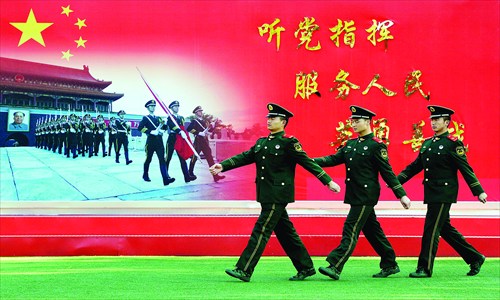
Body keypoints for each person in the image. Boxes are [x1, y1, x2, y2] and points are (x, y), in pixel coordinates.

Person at [209, 103, 341, 282]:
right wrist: (223, 165)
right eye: (268, 118)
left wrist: (328, 181)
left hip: (278, 194)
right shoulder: (262, 142)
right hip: (266, 193)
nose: (269, 121)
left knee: (261, 229)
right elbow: (245, 157)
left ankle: (244, 269)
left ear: (283, 122)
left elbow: (307, 162)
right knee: (285, 231)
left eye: (273, 118)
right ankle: (305, 267)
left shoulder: (289, 143)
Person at [314, 105, 411, 280]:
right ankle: (390, 263)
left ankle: (335, 265)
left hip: (366, 195)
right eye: (352, 121)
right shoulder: (350, 144)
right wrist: (308, 161)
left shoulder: (376, 146)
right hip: (354, 194)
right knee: (373, 231)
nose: (353, 124)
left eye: (357, 121)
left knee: (350, 229)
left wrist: (401, 194)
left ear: (367, 122)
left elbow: (387, 172)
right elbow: (332, 159)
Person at [397, 105, 487, 278]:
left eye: (437, 119)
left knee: (431, 229)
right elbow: (415, 167)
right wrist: (396, 180)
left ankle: (424, 268)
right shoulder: (428, 143)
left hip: (444, 192)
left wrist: (478, 191)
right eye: (432, 119)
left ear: (447, 122)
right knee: (444, 228)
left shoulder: (453, 143)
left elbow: (465, 168)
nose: (433, 122)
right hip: (431, 192)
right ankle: (475, 257)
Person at [138, 100, 175, 185]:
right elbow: (140, 128)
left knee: (162, 160)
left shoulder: (158, 118)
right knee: (148, 159)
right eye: (151, 106)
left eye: (154, 106)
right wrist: (150, 131)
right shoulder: (145, 118)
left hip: (159, 142)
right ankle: (145, 174)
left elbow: (164, 127)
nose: (153, 107)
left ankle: (165, 179)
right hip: (150, 142)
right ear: (147, 107)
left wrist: (164, 126)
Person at [187, 106, 225, 182]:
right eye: (199, 111)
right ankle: (190, 173)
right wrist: (198, 133)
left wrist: (213, 126)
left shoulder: (204, 122)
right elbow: (189, 129)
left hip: (205, 141)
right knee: (194, 158)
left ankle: (215, 175)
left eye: (201, 111)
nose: (201, 112)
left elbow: (208, 132)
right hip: (198, 141)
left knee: (210, 159)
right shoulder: (194, 121)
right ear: (196, 113)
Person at [166, 101, 196, 183]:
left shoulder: (181, 117)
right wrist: (179, 131)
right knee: (168, 158)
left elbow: (183, 127)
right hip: (172, 139)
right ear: (171, 108)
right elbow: (171, 126)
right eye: (175, 106)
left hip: (180, 139)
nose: (177, 108)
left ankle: (187, 177)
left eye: (178, 106)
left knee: (182, 159)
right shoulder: (170, 117)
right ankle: (165, 176)